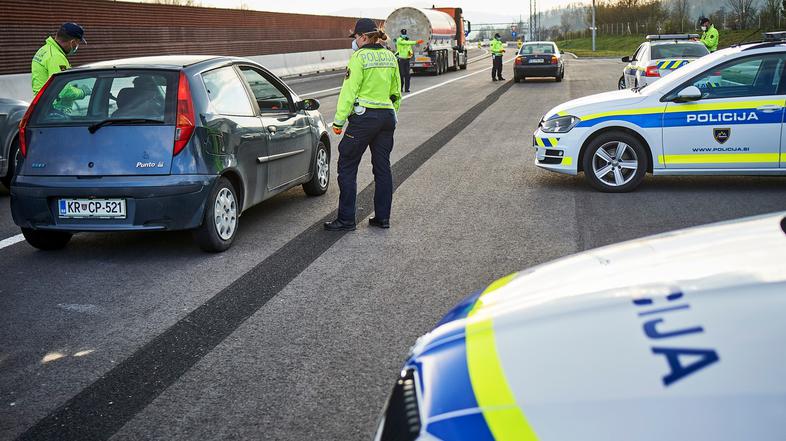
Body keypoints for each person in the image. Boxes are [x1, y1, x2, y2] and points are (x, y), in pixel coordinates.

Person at [324, 18, 402, 231]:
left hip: (364, 119)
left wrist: (339, 122)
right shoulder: (390, 56)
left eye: (356, 37)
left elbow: (349, 92)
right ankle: (382, 218)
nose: (355, 41)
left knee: (347, 166)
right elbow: (396, 92)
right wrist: (391, 115)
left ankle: (346, 219)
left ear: (364, 37)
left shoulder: (359, 58)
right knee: (382, 168)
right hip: (386, 117)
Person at [31, 22, 91, 113]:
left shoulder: (44, 50)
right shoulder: (56, 57)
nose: (77, 46)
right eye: (78, 43)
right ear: (73, 42)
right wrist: (83, 92)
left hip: (42, 107)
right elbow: (64, 91)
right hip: (54, 110)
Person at [395, 29, 423, 93]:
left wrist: (410, 54)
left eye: (405, 34)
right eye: (403, 34)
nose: (404, 35)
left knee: (408, 75)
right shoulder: (399, 40)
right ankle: (400, 88)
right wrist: (416, 42)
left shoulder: (407, 39)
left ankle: (407, 89)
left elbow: (409, 48)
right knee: (401, 75)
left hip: (407, 60)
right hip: (401, 59)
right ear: (401, 34)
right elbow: (407, 43)